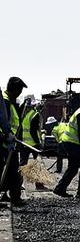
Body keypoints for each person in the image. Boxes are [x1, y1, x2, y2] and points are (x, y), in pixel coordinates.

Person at [1, 77, 27, 206]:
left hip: (10, 143)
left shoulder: (10, 102)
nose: (20, 93)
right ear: (15, 90)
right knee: (12, 171)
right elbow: (3, 122)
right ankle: (15, 198)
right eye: (20, 90)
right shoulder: (5, 101)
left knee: (11, 171)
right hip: (5, 143)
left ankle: (11, 196)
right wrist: (5, 136)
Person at [19, 98, 47, 190]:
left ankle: (18, 184)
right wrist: (38, 142)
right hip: (33, 144)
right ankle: (39, 185)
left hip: (25, 143)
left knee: (23, 164)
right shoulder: (35, 115)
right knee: (38, 164)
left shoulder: (25, 115)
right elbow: (32, 131)